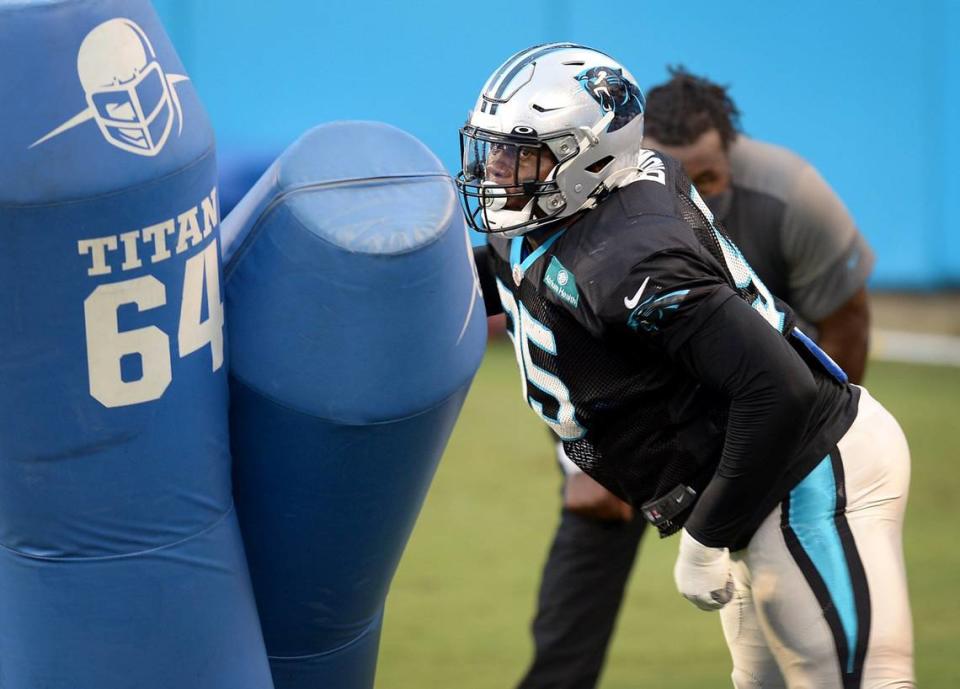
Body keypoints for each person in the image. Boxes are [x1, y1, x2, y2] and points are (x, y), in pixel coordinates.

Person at [461, 43, 913, 688]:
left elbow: (777, 387)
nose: (499, 168)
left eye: (521, 152)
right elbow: (516, 272)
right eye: (496, 147)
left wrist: (708, 533)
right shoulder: (585, 201)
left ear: (585, 157)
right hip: (753, 478)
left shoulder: (633, 259)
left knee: (851, 680)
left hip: (810, 470)